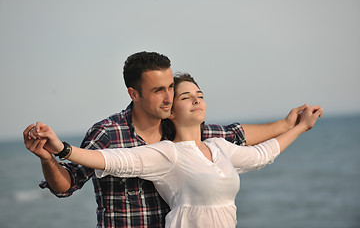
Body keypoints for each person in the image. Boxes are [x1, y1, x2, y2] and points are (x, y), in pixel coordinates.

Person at [23, 51, 312, 228]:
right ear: (134, 94)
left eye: (171, 88)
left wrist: (288, 124)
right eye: (159, 90)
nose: (169, 97)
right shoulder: (109, 133)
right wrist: (51, 156)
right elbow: (66, 185)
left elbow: (239, 136)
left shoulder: (185, 133)